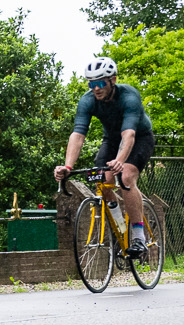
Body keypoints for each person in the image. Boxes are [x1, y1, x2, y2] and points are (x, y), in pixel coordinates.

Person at [55, 57, 155, 256]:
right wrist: (67, 167)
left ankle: (138, 236)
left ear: (113, 80)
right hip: (111, 140)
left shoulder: (129, 96)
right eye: (92, 84)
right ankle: (120, 227)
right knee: (102, 180)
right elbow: (78, 135)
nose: (96, 88)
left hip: (139, 138)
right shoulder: (88, 100)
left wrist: (120, 161)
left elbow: (129, 135)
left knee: (125, 177)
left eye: (101, 83)